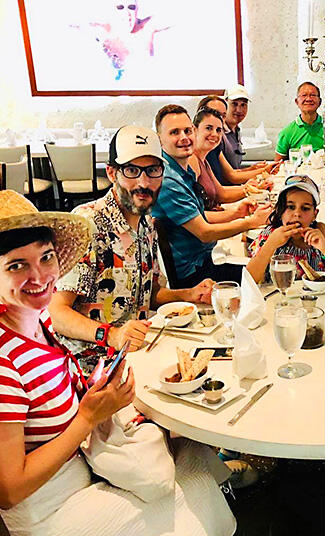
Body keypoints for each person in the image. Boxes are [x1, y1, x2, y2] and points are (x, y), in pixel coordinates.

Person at [0, 190, 236, 536]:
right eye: (16, 266)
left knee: (194, 458)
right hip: (43, 523)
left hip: (77, 478)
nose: (39, 277)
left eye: (46, 257)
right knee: (192, 491)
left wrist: (95, 395)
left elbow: (50, 405)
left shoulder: (38, 323)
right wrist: (88, 418)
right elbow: (9, 489)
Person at [49, 125, 215, 374]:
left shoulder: (147, 222)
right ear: (112, 173)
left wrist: (188, 294)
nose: (143, 183)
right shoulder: (88, 225)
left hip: (138, 352)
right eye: (131, 170)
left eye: (152, 170)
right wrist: (113, 335)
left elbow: (150, 293)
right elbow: (57, 313)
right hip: (89, 370)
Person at [152, 104, 271, 287]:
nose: (184, 138)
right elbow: (204, 232)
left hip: (205, 259)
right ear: (159, 140)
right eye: (174, 132)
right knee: (265, 275)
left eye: (186, 131)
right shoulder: (168, 180)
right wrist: (251, 222)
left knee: (263, 264)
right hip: (194, 274)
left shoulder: (182, 169)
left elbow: (198, 217)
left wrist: (237, 213)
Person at [247, 174, 325, 283]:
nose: (297, 214)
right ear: (280, 211)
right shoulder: (270, 234)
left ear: (314, 215)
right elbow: (250, 280)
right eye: (290, 207)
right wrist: (271, 244)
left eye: (305, 208)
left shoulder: (320, 231)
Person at [194, 95, 275, 186]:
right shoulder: (193, 156)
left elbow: (229, 177)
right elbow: (230, 179)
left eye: (222, 116)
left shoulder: (214, 146)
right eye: (234, 104)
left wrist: (254, 170)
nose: (239, 110)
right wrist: (264, 171)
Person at [275, 82, 325, 160]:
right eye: (304, 95)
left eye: (313, 95)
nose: (308, 99)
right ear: (297, 102)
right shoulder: (287, 132)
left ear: (320, 102)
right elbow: (278, 164)